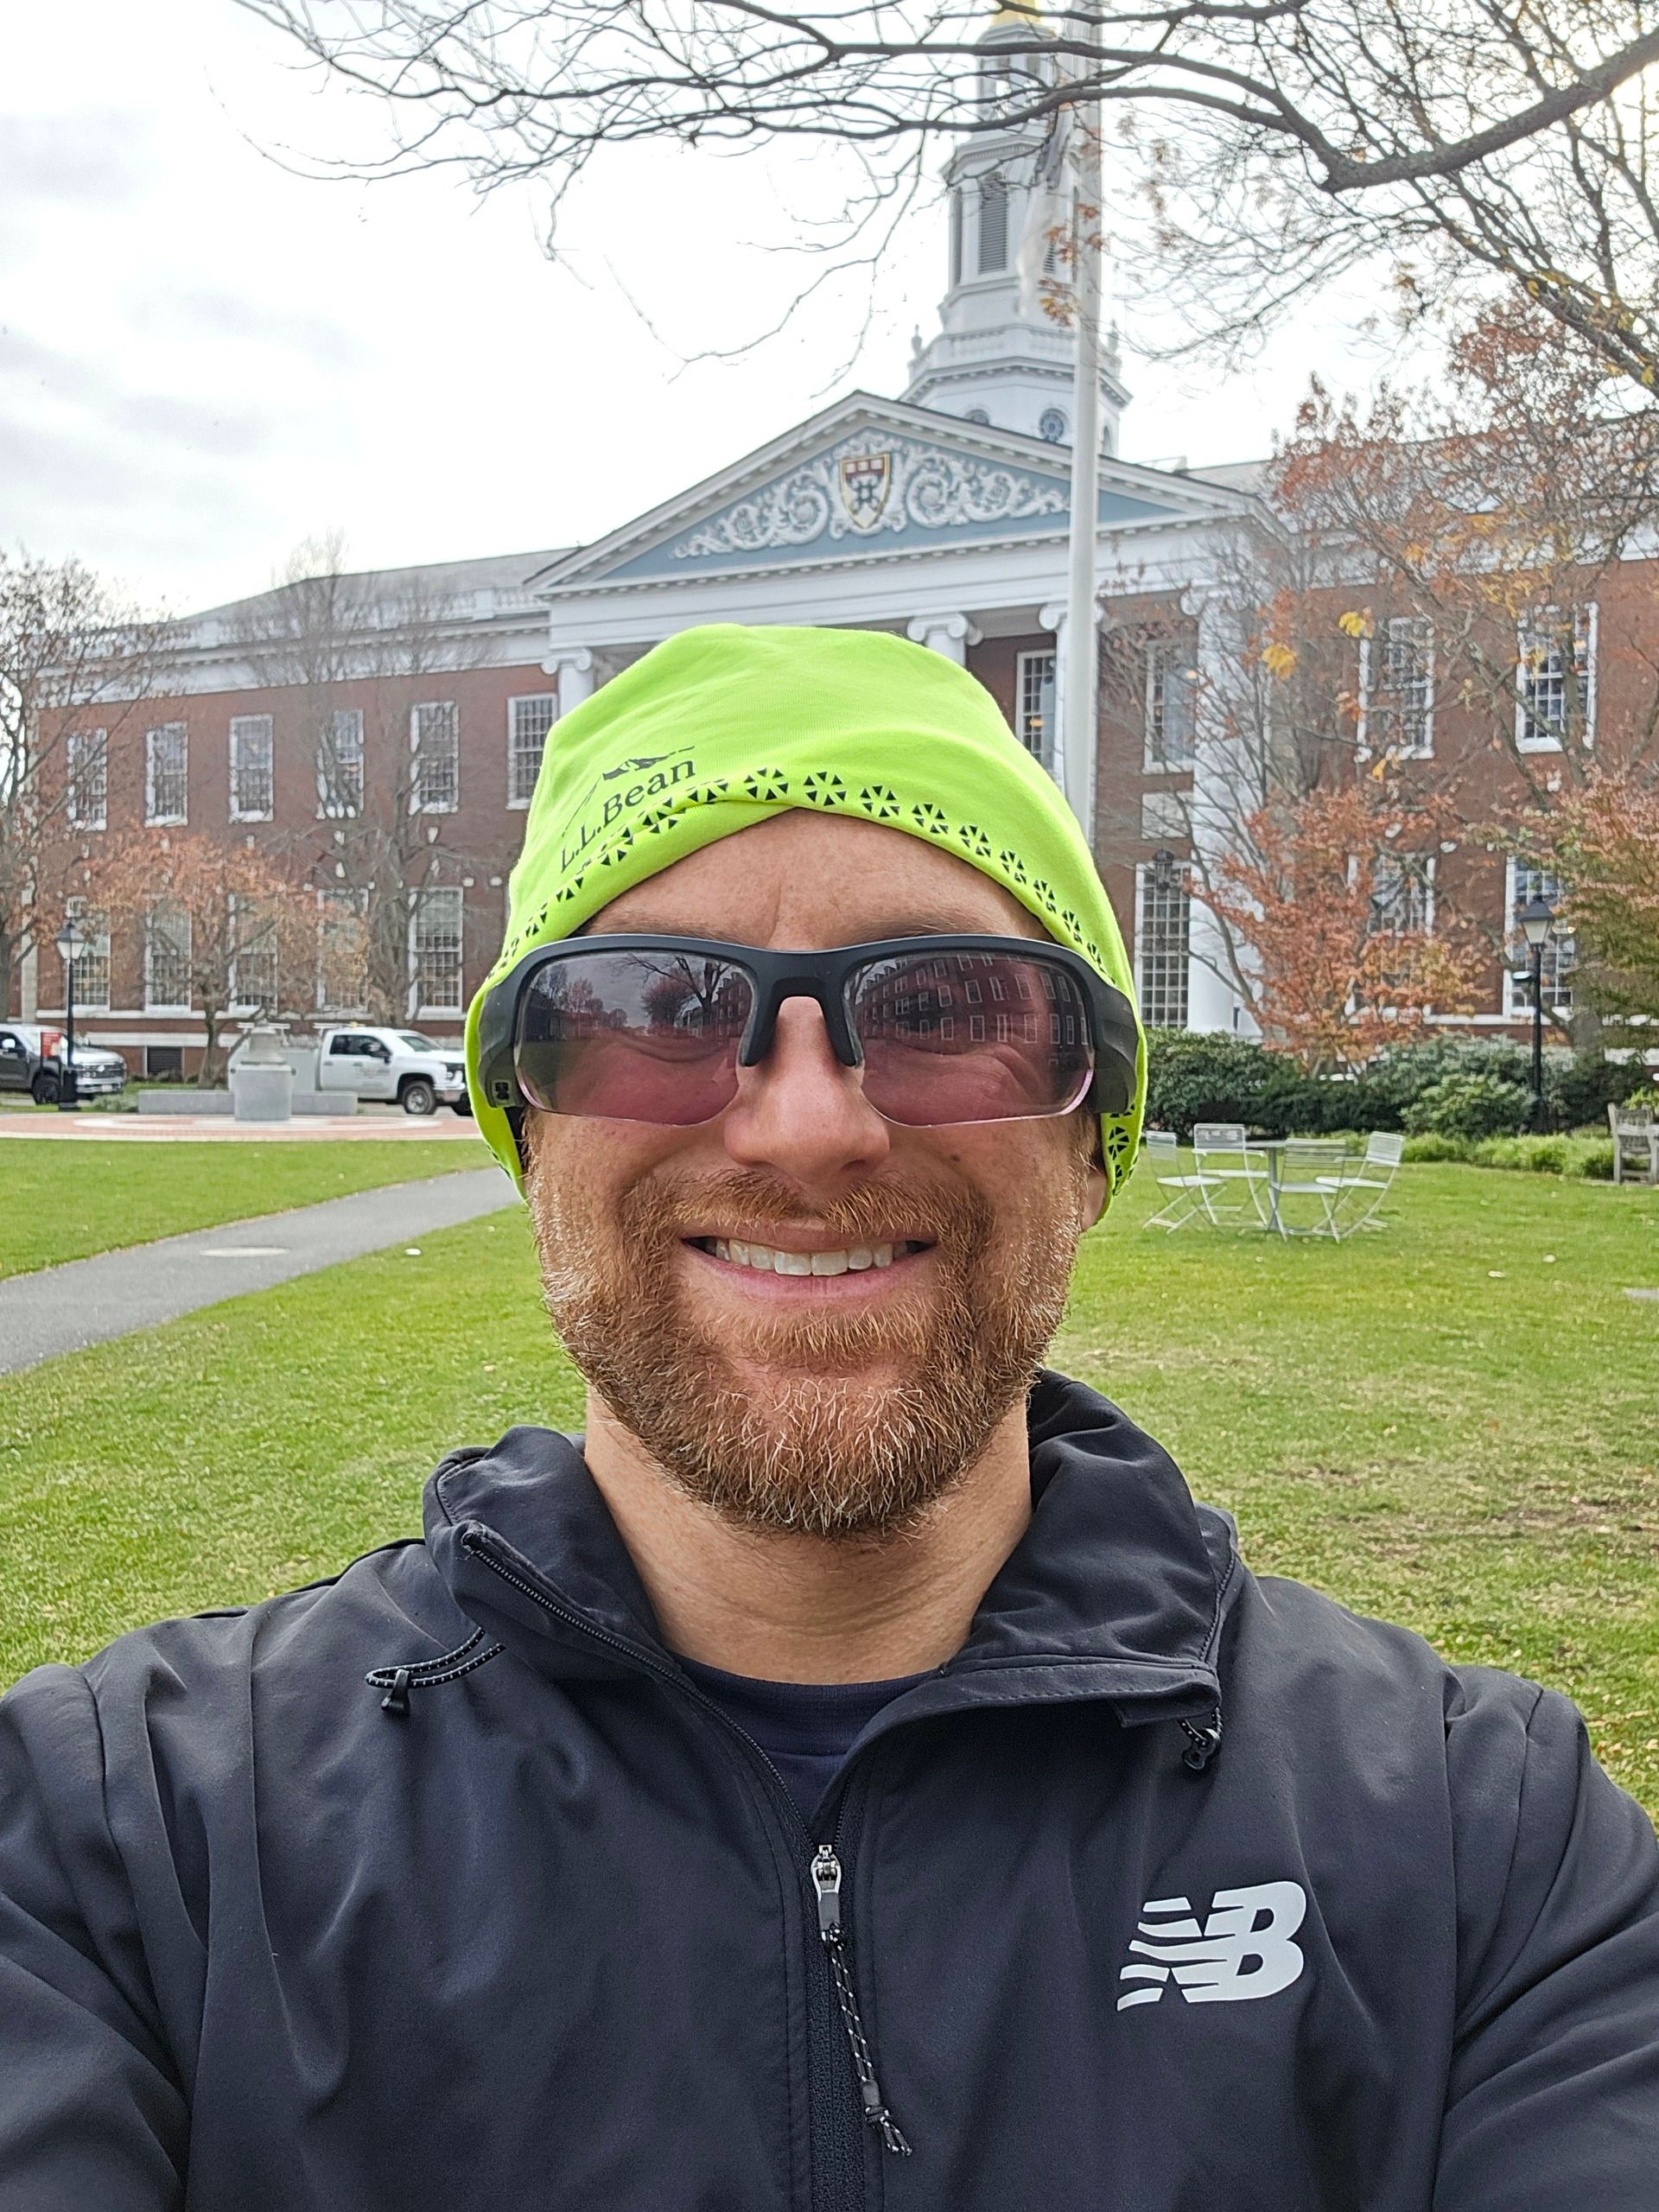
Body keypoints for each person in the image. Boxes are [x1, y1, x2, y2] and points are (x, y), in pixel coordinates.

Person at [0, 624, 1655, 2211]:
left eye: (943, 1010)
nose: (804, 1126)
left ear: (1097, 1135)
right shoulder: (129, 1852)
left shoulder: (1479, 1849)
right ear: (523, 1123)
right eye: (655, 1008)